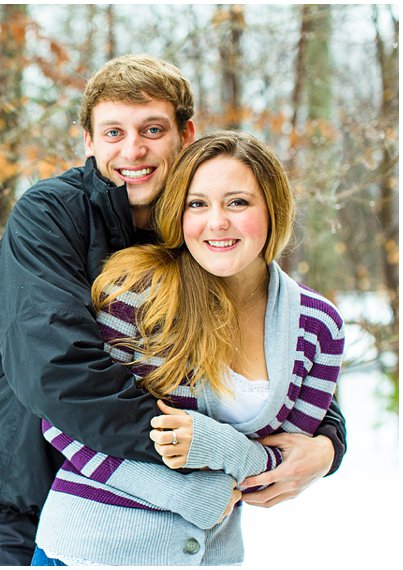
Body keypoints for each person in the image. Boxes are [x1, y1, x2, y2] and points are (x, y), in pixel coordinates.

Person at [0, 55, 347, 566]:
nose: (132, 149)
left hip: (150, 517)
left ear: (186, 133)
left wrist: (328, 443)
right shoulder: (49, 216)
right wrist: (209, 454)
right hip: (18, 497)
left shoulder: (199, 227)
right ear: (88, 142)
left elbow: (262, 359)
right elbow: (56, 373)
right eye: (113, 132)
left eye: (152, 129)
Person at [31, 130, 345, 565]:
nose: (217, 222)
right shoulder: (139, 293)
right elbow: (62, 422)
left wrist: (222, 447)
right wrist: (182, 490)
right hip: (90, 548)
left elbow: (286, 464)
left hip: (214, 556)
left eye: (237, 202)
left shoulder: (317, 326)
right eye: (198, 204)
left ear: (273, 209)